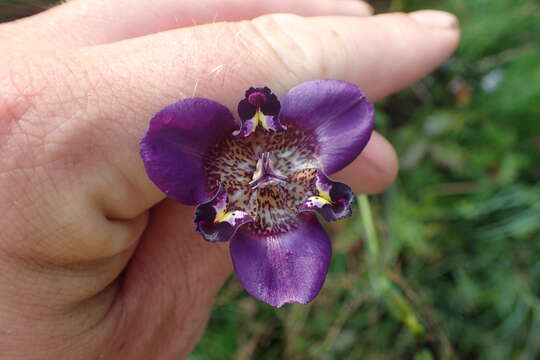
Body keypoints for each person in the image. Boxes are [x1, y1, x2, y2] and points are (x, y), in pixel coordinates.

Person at [0, 0, 459, 358]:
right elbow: (169, 139)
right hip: (258, 181)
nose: (264, 177)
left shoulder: (233, 155)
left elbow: (346, 108)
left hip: (253, 183)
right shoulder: (190, 145)